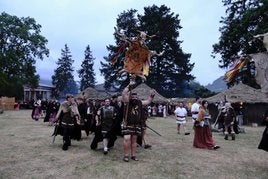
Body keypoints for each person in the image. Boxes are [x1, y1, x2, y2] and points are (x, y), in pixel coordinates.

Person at [121, 83, 156, 162]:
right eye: (133, 96)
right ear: (130, 97)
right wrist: (129, 85)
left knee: (134, 141)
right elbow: (124, 93)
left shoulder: (140, 103)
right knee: (127, 139)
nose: (134, 98)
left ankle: (133, 155)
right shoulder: (127, 102)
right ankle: (126, 155)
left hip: (136, 125)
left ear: (138, 97)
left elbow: (148, 101)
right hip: (128, 124)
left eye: (136, 97)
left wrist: (152, 95)